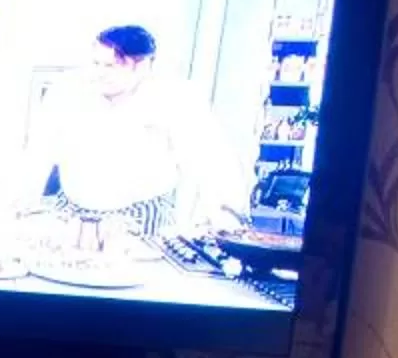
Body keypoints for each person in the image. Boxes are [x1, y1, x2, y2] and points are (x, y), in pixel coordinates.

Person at [21, 23, 246, 239]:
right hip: (71, 213)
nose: (99, 73)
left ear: (143, 65)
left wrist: (225, 215)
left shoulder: (175, 98)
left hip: (141, 219)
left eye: (111, 66)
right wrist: (21, 201)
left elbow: (210, 159)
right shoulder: (69, 91)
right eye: (96, 63)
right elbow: (39, 150)